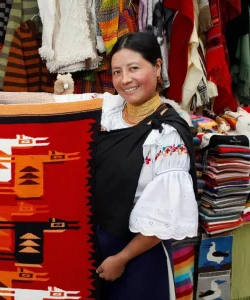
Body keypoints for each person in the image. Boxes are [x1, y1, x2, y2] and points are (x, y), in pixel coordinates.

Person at [93, 32, 199, 300]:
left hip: (137, 255)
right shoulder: (110, 113)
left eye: (134, 68)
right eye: (117, 71)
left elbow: (162, 214)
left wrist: (121, 258)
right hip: (96, 246)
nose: (124, 79)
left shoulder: (166, 135)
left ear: (158, 67)